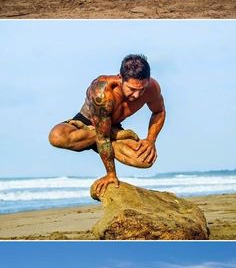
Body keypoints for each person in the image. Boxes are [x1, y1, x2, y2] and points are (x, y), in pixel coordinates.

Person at [48, 54, 166, 196]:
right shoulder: (102, 91)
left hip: (111, 128)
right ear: (120, 78)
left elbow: (159, 111)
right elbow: (102, 138)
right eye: (132, 89)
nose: (137, 95)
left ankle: (114, 134)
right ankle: (115, 134)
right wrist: (111, 174)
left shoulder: (152, 88)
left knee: (145, 160)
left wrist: (150, 140)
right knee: (56, 137)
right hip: (85, 126)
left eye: (142, 89)